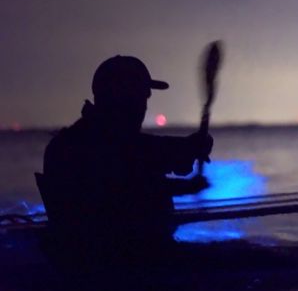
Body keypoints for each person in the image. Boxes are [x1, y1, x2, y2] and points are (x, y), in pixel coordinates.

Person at [39, 56, 213, 262]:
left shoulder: (74, 141)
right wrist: (187, 182)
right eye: (142, 97)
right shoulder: (87, 146)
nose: (143, 106)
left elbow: (147, 153)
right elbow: (128, 177)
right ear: (123, 99)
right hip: (116, 262)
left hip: (101, 259)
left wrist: (190, 149)